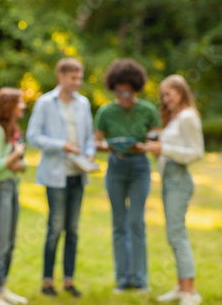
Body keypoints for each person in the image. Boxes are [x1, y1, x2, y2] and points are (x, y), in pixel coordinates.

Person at [26, 57, 95, 298]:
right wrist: (61, 145)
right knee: (55, 229)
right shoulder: (45, 103)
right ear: (61, 77)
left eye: (80, 77)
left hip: (79, 174)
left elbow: (89, 137)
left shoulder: (84, 103)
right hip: (56, 176)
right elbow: (33, 137)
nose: (77, 82)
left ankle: (68, 281)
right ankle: (47, 282)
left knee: (73, 230)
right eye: (73, 77)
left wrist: (89, 153)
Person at [94, 58, 161, 293]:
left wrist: (142, 146)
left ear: (135, 88)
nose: (123, 94)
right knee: (118, 223)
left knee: (136, 222)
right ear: (113, 88)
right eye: (119, 89)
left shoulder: (147, 110)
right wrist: (109, 146)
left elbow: (156, 139)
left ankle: (140, 278)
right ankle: (123, 278)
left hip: (140, 168)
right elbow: (97, 142)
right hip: (116, 167)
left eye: (127, 90)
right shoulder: (105, 112)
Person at [143, 75, 204, 305]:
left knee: (177, 235)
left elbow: (196, 152)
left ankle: (190, 292)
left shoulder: (188, 117)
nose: (166, 99)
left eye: (170, 93)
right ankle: (181, 287)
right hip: (168, 181)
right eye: (163, 95)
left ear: (181, 91)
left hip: (179, 181)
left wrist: (164, 148)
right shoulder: (175, 118)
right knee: (173, 234)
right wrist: (158, 149)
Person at [0, 87, 28, 305]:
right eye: (20, 102)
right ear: (9, 106)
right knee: (0, 243)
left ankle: (1, 287)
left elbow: (9, 164)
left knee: (9, 242)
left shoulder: (10, 129)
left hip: (11, 187)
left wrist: (19, 162)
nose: (24, 106)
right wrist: (16, 155)